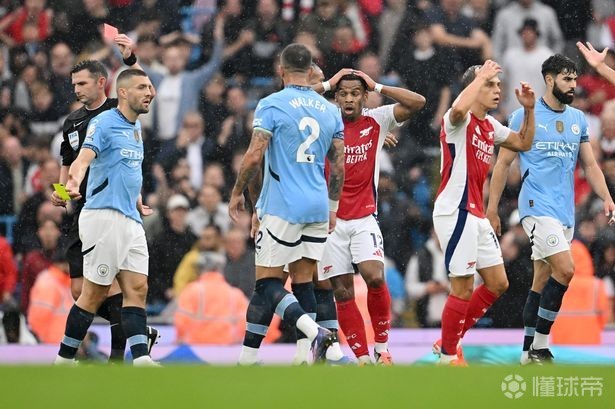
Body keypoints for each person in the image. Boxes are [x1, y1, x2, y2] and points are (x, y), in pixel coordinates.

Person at [487, 54, 615, 364]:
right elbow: (502, 165)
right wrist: (492, 209)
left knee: (541, 280)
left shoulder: (577, 119)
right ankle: (541, 347)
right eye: (566, 79)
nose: (573, 85)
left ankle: (525, 352)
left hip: (564, 211)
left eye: (574, 79)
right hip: (535, 206)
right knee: (566, 269)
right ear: (549, 79)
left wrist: (607, 197)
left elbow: (590, 165)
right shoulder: (523, 115)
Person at [228, 43, 345, 365]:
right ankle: (303, 358)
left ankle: (316, 332)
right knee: (303, 281)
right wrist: (332, 207)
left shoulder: (271, 104)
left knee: (267, 284)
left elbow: (255, 155)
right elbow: (339, 165)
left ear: (281, 70)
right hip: (317, 205)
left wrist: (238, 192)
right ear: (310, 71)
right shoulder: (329, 110)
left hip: (283, 205)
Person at [50, 36, 158, 362]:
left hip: (121, 211)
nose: (76, 90)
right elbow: (72, 161)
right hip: (90, 209)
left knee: (131, 288)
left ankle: (127, 359)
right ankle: (68, 359)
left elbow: (141, 85)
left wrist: (131, 58)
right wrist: (64, 191)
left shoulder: (120, 109)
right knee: (86, 291)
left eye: (82, 83)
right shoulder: (77, 122)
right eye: (73, 84)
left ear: (102, 83)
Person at [317, 69, 425, 365]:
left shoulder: (377, 119)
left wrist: (377, 85)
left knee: (375, 277)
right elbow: (294, 101)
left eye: (355, 93)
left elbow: (418, 102)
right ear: (336, 98)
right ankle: (363, 358)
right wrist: (328, 83)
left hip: (364, 217)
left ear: (365, 97)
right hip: (329, 221)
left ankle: (382, 348)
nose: (349, 99)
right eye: (342, 94)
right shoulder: (325, 120)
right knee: (342, 292)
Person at [432, 60, 536, 365]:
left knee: (498, 282)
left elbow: (523, 142)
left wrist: (529, 110)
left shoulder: (490, 126)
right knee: (462, 287)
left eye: (498, 85)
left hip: (476, 214)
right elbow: (458, 109)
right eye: (490, 84)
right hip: (455, 210)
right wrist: (479, 77)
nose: (497, 90)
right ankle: (448, 356)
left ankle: (447, 341)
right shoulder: (457, 120)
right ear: (473, 87)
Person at [174, 251, 248, 344]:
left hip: (196, 345)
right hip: (227, 346)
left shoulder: (191, 290)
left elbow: (181, 320)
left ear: (200, 269)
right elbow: (245, 322)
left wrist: (182, 337)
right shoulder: (235, 294)